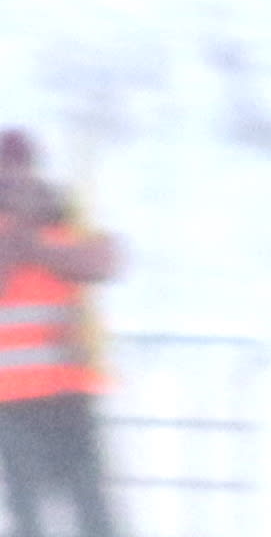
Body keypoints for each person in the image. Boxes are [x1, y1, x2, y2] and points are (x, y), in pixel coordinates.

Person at [0, 133, 116, 537]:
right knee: (30, 516)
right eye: (7, 170)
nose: (17, 178)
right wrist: (20, 240)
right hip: (14, 400)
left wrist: (41, 249)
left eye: (22, 168)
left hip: (69, 389)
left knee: (94, 512)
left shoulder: (63, 215)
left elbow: (104, 260)